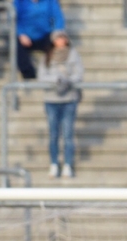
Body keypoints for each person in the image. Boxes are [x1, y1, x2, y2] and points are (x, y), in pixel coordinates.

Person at [38, 29, 82, 178]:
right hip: (51, 99)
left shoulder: (73, 55)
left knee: (68, 134)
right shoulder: (48, 56)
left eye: (62, 38)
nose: (60, 41)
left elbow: (78, 74)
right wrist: (55, 80)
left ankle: (68, 164)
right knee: (53, 134)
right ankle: (54, 163)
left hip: (69, 99)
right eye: (57, 38)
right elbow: (42, 76)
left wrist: (66, 81)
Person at [15, 0, 65, 80]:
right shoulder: (20, 2)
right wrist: (21, 34)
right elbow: (13, 18)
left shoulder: (50, 2)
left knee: (57, 42)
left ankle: (53, 73)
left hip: (44, 35)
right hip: (25, 36)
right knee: (16, 45)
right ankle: (29, 75)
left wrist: (57, 34)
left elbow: (58, 17)